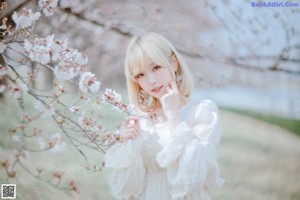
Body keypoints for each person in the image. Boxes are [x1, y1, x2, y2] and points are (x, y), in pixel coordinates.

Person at [105, 33, 224, 200]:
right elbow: (128, 189)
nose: (151, 80)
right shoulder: (140, 118)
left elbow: (197, 175)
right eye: (140, 75)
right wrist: (128, 144)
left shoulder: (202, 112)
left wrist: (173, 114)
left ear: (173, 63)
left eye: (156, 68)